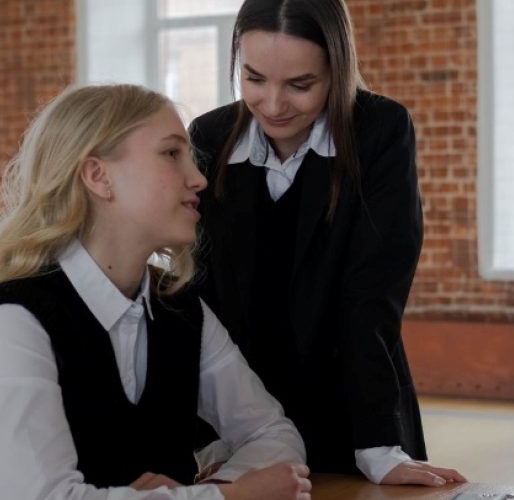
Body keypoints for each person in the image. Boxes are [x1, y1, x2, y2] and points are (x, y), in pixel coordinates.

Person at [0, 84, 312, 499]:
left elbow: (272, 433)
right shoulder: (11, 322)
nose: (198, 178)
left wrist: (213, 489)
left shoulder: (182, 310)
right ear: (98, 176)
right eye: (171, 154)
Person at [187, 0, 465, 487]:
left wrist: (378, 443)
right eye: (253, 79)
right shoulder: (209, 136)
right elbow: (202, 296)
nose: (273, 105)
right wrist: (209, 432)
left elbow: (372, 294)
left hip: (354, 405)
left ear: (337, 68)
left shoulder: (380, 131)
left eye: (300, 85)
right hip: (240, 413)